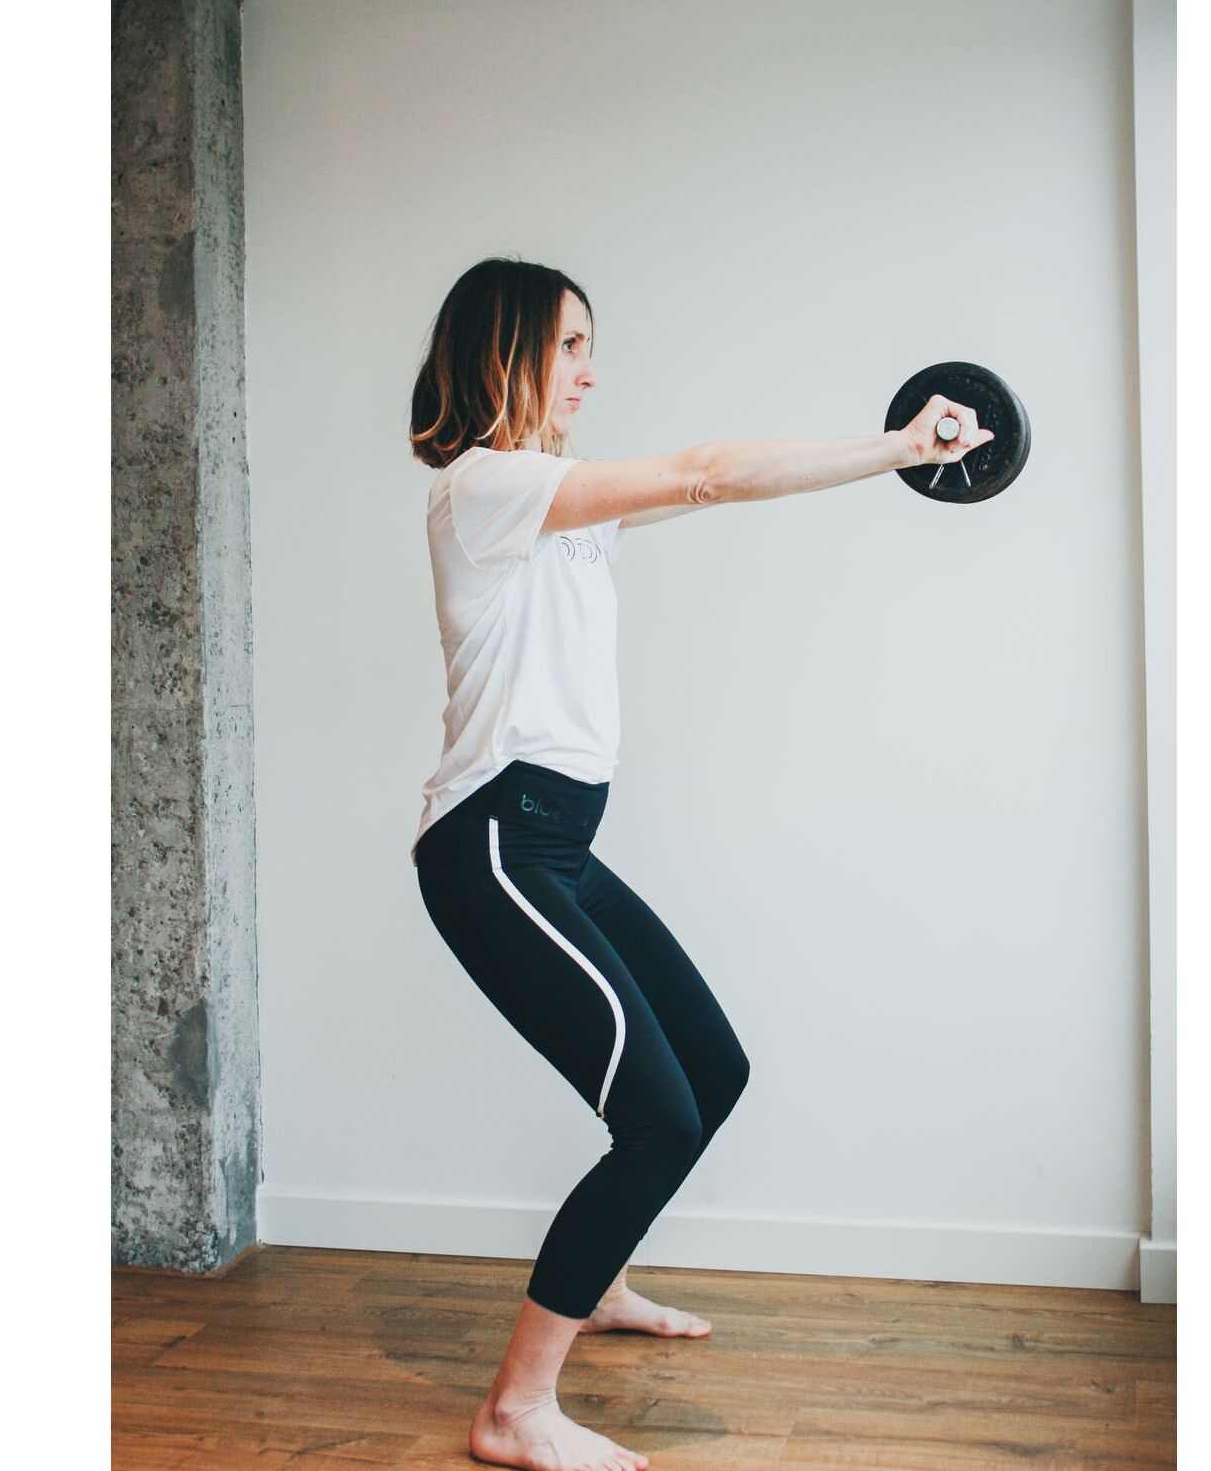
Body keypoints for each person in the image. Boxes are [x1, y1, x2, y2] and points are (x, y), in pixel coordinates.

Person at [408, 257, 990, 1471]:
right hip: (496, 843)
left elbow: (720, 490)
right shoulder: (490, 485)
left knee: (711, 1069)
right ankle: (514, 1412)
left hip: (556, 843)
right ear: (505, 347)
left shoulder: (560, 501)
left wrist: (888, 456)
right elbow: (706, 466)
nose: (589, 369)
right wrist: (898, 446)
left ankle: (597, 1278)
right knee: (658, 1120)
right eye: (570, 344)